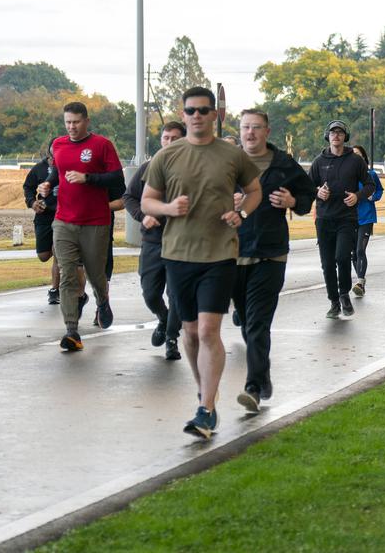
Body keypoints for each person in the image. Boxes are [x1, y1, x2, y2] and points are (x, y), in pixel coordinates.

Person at [141, 86, 262, 438]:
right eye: (191, 111)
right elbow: (148, 201)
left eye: (203, 110)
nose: (197, 116)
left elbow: (254, 190)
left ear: (214, 115)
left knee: (209, 331)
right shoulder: (167, 156)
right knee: (190, 334)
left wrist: (241, 211)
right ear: (183, 115)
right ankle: (204, 391)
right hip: (177, 254)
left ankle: (206, 409)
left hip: (220, 253)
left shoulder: (232, 155)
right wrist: (167, 209)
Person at [231, 108, 315, 413]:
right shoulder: (228, 163)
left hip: (270, 253)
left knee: (257, 322)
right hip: (233, 253)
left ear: (267, 132)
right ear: (239, 131)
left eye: (256, 127)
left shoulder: (283, 164)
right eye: (245, 128)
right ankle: (262, 374)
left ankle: (253, 386)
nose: (250, 133)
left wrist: (293, 202)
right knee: (245, 321)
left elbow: (308, 197)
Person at [37, 102, 125, 351]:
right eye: (67, 122)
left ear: (87, 121)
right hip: (64, 220)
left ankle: (102, 300)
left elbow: (117, 177)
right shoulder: (59, 145)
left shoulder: (102, 145)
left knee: (96, 273)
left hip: (95, 221)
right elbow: (57, 173)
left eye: (76, 122)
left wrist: (88, 178)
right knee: (67, 275)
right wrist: (46, 184)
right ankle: (71, 331)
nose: (71, 127)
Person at [122, 121, 186, 360]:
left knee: (176, 294)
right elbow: (129, 196)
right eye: (166, 137)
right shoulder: (150, 167)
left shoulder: (191, 168)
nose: (169, 142)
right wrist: (143, 215)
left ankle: (171, 339)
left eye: (175, 138)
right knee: (150, 293)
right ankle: (163, 318)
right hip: (153, 241)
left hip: (181, 242)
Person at [308, 120, 375, 318]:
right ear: (327, 136)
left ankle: (344, 293)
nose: (336, 135)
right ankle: (334, 302)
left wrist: (357, 196)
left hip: (347, 218)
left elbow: (370, 185)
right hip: (324, 218)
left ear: (345, 137)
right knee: (327, 263)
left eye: (340, 132)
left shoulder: (355, 160)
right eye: (332, 132)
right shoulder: (319, 161)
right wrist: (317, 192)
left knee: (342, 256)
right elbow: (307, 186)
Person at [23, 138, 85, 305]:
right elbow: (28, 186)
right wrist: (32, 202)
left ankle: (54, 290)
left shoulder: (70, 166)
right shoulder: (39, 168)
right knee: (44, 255)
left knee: (58, 252)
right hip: (44, 215)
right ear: (50, 152)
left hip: (63, 215)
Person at [350, 145, 384, 297]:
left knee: (360, 250)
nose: (355, 156)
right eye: (353, 154)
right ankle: (361, 282)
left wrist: (373, 197)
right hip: (349, 218)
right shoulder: (348, 175)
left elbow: (379, 190)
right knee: (353, 254)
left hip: (367, 217)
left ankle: (360, 281)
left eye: (358, 154)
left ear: (363, 157)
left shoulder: (371, 174)